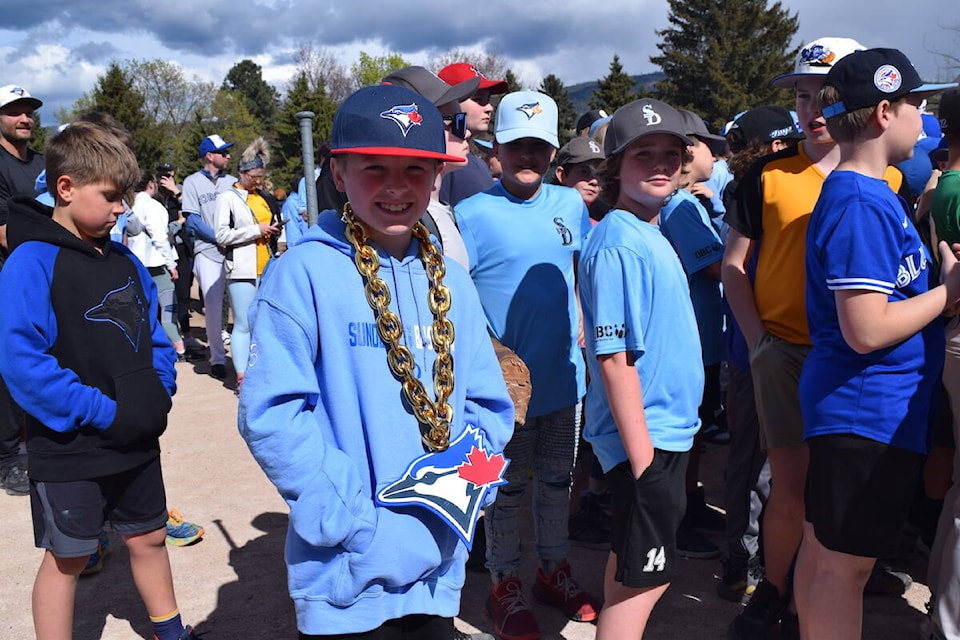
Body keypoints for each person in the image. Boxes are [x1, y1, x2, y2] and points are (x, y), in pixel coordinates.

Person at [238, 83, 514, 640]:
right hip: (347, 573)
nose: (396, 187)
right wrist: (354, 523)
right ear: (339, 174)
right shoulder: (303, 277)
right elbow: (272, 414)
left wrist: (465, 495)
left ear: (436, 178)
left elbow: (488, 402)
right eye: (374, 168)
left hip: (438, 569)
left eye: (415, 170)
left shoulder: (453, 283)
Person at [719, 36, 911, 640]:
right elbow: (734, 265)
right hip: (789, 351)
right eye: (802, 95)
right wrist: (758, 342)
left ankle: (828, 583)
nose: (811, 108)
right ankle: (775, 591)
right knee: (789, 489)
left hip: (856, 362)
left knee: (838, 496)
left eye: (822, 94)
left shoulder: (893, 177)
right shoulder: (768, 176)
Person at [0, 121, 199, 640]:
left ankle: (170, 633)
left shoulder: (126, 260)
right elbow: (24, 364)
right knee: (69, 557)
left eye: (125, 198)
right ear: (65, 188)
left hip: (135, 438)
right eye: (110, 197)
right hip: (70, 446)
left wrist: (159, 389)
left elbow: (154, 334)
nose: (121, 210)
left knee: (150, 538)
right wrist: (104, 410)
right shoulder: (30, 261)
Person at [793, 48, 958, 640]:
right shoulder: (861, 201)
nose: (925, 119)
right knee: (846, 568)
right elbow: (866, 329)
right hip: (866, 411)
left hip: (860, 407)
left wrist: (936, 272)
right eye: (918, 105)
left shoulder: (868, 192)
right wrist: (950, 295)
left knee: (825, 551)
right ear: (886, 112)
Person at [455, 91, 602, 640]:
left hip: (565, 378)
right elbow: (457, 299)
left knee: (558, 483)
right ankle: (503, 583)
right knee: (505, 490)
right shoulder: (470, 215)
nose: (528, 157)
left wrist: (583, 324)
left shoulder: (568, 205)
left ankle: (553, 570)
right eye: (517, 145)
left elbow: (578, 272)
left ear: (552, 152)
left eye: (539, 147)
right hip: (503, 393)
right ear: (497, 145)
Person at [579, 97, 704, 639]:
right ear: (614, 168)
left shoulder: (647, 231)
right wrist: (645, 463)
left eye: (670, 155)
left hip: (663, 432)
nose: (659, 165)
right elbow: (614, 360)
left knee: (629, 569)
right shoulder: (618, 243)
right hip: (646, 438)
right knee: (644, 585)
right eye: (641, 155)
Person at [660, 109, 728, 561]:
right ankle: (678, 516)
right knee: (689, 431)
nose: (713, 152)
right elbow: (714, 264)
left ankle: (688, 505)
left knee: (697, 430)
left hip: (702, 334)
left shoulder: (689, 202)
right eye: (705, 144)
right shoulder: (681, 207)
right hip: (696, 336)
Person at [0, 84, 44, 496]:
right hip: (10, 277)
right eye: (14, 111)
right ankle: (7, 458)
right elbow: (5, 233)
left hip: (47, 275)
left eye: (28, 111)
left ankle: (38, 443)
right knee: (10, 365)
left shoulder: (43, 164)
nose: (24, 118)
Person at [214, 137, 281, 393]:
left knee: (263, 323)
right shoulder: (227, 198)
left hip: (266, 266)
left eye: (261, 176)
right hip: (241, 269)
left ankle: (260, 371)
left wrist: (272, 231)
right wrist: (256, 230)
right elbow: (221, 235)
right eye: (254, 176)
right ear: (242, 173)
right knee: (242, 323)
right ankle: (242, 377)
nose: (258, 180)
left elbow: (269, 221)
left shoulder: (261, 197)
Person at [181, 134, 237, 380]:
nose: (228, 156)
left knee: (242, 307)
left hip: (235, 250)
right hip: (207, 250)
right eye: (223, 152)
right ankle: (217, 359)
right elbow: (192, 220)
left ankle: (246, 358)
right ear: (209, 156)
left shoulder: (233, 182)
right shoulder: (192, 182)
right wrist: (219, 237)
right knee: (213, 308)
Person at [129, 171, 187, 360]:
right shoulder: (153, 206)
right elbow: (160, 238)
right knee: (168, 308)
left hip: (133, 262)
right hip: (155, 263)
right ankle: (180, 350)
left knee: (142, 309)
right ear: (151, 184)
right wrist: (171, 264)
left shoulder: (127, 205)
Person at [437, 63, 509, 205]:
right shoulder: (440, 163)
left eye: (488, 100)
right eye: (479, 100)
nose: (489, 108)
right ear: (450, 102)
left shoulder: (478, 163)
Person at [554, 136, 608, 222]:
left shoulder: (603, 223)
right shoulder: (545, 215)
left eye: (599, 174)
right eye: (584, 172)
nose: (594, 181)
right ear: (562, 175)